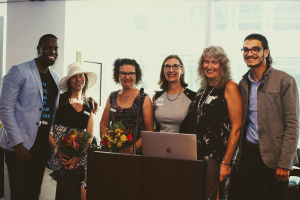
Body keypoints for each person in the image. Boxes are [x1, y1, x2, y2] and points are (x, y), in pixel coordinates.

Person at [236, 33, 299, 200]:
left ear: (266, 52)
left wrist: (285, 163)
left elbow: (293, 125)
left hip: (276, 158)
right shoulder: (242, 84)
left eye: (255, 49)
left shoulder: (285, 80)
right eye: (246, 50)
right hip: (249, 156)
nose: (250, 53)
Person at [0, 34, 60, 200]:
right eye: (48, 47)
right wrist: (17, 144)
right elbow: (5, 109)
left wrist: (87, 100)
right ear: (38, 48)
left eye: (56, 48)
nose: (52, 51)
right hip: (20, 147)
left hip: (42, 148)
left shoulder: (55, 77)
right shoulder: (19, 71)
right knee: (20, 195)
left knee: (34, 194)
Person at [188, 46, 243, 200]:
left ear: (222, 66)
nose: (209, 66)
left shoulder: (230, 87)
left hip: (218, 157)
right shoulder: (202, 89)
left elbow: (237, 128)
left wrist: (226, 162)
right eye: (206, 62)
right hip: (199, 155)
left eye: (215, 62)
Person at [48, 62, 97, 200]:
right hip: (60, 155)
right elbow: (46, 128)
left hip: (81, 156)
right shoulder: (59, 100)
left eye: (81, 76)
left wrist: (80, 155)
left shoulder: (89, 104)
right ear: (69, 81)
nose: (79, 79)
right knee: (64, 191)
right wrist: (57, 151)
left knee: (83, 192)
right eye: (74, 76)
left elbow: (89, 135)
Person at [100, 58, 154, 154]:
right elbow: (103, 124)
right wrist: (107, 143)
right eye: (123, 73)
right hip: (113, 151)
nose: (127, 77)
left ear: (137, 75)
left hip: (136, 153)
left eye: (131, 73)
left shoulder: (144, 98)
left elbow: (149, 130)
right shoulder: (112, 96)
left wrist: (133, 148)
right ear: (118, 75)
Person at [153, 54, 196, 133]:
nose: (171, 70)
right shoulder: (157, 96)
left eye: (175, 66)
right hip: (159, 143)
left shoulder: (193, 97)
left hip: (183, 143)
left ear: (182, 70)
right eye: (167, 66)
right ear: (163, 70)